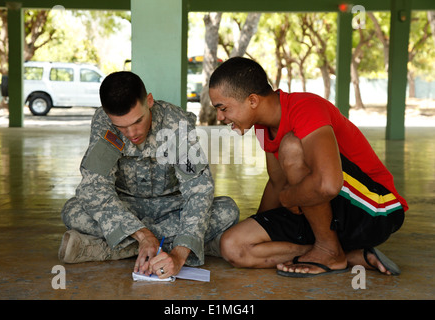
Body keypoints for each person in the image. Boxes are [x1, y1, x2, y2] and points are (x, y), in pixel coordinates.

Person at [208, 57, 407, 277]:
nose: (220, 117)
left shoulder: (305, 107)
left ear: (253, 100)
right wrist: (261, 226)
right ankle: (344, 255)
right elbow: (277, 184)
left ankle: (328, 249)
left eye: (223, 108)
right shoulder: (263, 128)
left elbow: (328, 185)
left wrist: (289, 199)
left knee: (292, 146)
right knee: (234, 246)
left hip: (376, 208)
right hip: (322, 210)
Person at [59, 71, 239, 278]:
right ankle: (176, 245)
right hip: (127, 207)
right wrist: (142, 234)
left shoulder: (175, 123)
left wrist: (179, 256)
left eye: (138, 121)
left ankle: (118, 248)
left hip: (173, 208)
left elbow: (198, 188)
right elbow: (94, 187)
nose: (131, 133)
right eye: (122, 127)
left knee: (227, 210)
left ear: (149, 101)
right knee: (72, 211)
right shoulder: (104, 122)